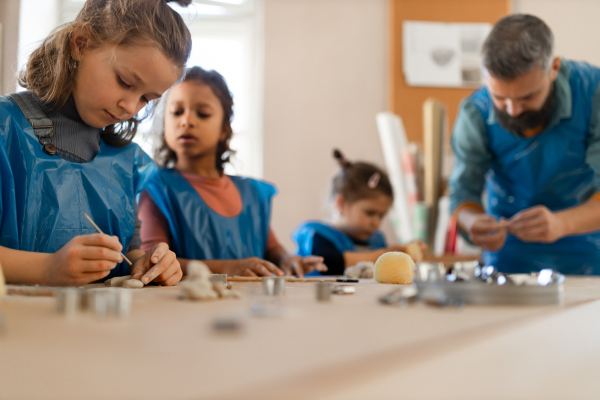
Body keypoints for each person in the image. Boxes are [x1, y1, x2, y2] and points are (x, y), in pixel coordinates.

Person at [0, 0, 193, 286]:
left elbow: (130, 251)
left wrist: (147, 263)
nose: (130, 106)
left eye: (146, 99)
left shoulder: (127, 161)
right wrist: (47, 269)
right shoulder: (6, 130)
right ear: (80, 43)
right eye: (125, 82)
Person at [139, 66, 326, 277]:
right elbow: (151, 261)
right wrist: (227, 269)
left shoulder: (254, 193)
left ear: (224, 130)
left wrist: (288, 260)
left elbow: (272, 249)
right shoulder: (155, 188)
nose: (187, 121)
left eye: (203, 113)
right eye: (176, 112)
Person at [449, 14, 600, 274]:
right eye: (500, 98)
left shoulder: (593, 92)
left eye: (527, 97)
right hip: (508, 263)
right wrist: (473, 223)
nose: (514, 110)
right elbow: (462, 192)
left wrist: (561, 224)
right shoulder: (475, 112)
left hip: (589, 258)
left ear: (554, 68)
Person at [292, 150, 424, 275]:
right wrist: (386, 255)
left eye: (382, 215)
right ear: (341, 204)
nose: (376, 222)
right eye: (370, 213)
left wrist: (403, 254)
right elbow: (331, 264)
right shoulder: (318, 234)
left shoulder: (376, 240)